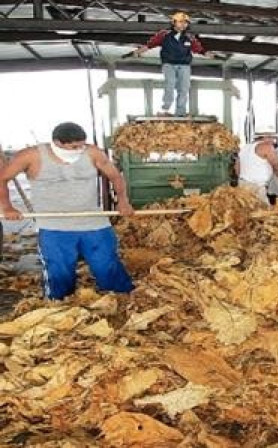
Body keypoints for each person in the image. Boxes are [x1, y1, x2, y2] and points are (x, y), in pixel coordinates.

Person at [0, 122, 135, 300]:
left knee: (106, 263)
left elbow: (115, 176)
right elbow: (3, 178)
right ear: (58, 142)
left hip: (93, 221)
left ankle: (122, 298)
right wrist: (7, 207)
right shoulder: (31, 155)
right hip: (53, 226)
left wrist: (123, 202)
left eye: (82, 145)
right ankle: (59, 304)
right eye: (74, 147)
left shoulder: (92, 152)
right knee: (58, 271)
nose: (79, 149)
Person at [132, 11, 213, 116]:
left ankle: (180, 112)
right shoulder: (164, 34)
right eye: (180, 22)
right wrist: (138, 51)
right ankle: (167, 103)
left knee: (184, 88)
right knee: (170, 83)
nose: (183, 24)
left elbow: (198, 49)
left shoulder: (189, 37)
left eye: (185, 22)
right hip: (169, 64)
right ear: (174, 23)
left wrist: (207, 53)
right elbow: (150, 44)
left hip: (184, 65)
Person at [236, 128, 278, 204]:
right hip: (255, 188)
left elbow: (237, 168)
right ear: (265, 137)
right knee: (263, 213)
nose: (273, 141)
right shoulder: (266, 146)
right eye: (271, 137)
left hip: (242, 186)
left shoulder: (244, 148)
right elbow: (277, 166)